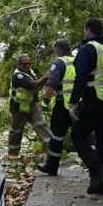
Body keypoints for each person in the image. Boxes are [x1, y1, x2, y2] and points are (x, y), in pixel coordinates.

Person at [69, 17, 103, 196]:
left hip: (93, 101)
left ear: (88, 30)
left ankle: (98, 171)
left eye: (85, 31)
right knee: (102, 141)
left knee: (77, 136)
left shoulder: (88, 49)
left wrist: (74, 102)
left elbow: (81, 77)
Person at [37, 39, 77, 176]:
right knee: (84, 137)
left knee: (57, 137)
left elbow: (51, 85)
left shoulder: (59, 63)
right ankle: (97, 167)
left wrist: (45, 103)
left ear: (58, 50)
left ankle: (51, 167)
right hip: (79, 104)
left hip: (62, 105)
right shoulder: (78, 61)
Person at [7, 53, 52, 158]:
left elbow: (36, 86)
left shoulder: (30, 72)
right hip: (19, 108)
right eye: (24, 64)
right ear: (19, 64)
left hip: (32, 105)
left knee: (41, 125)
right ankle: (13, 153)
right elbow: (33, 85)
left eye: (29, 63)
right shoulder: (17, 76)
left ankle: (51, 151)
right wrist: (46, 77)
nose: (27, 66)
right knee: (16, 131)